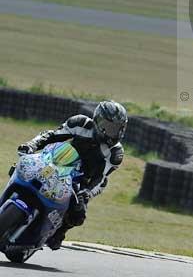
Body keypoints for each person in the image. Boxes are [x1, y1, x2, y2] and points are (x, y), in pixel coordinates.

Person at [17, 100, 127, 249]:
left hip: (82, 181)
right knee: (25, 168)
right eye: (108, 126)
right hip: (59, 162)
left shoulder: (115, 152)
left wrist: (87, 193)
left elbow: (101, 179)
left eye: (115, 128)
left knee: (78, 214)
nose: (111, 132)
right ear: (97, 120)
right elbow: (51, 135)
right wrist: (31, 145)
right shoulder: (79, 123)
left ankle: (60, 232)